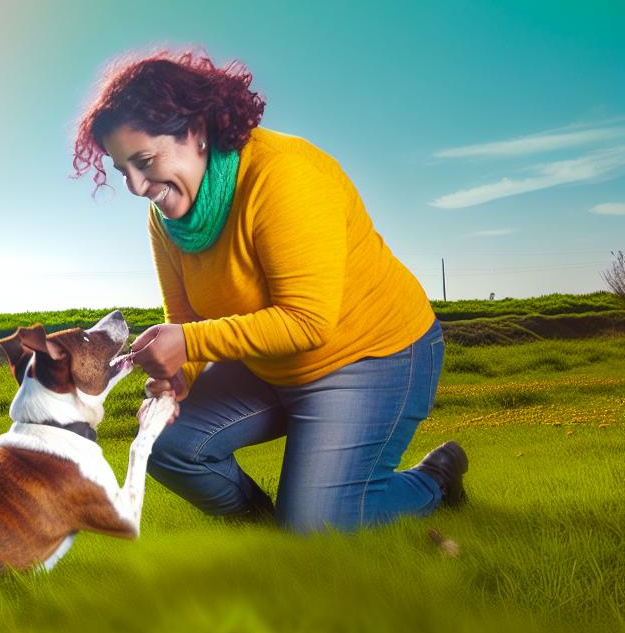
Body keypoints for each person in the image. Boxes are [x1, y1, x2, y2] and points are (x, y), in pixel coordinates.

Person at [72, 50, 468, 533]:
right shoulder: (166, 218)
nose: (135, 186)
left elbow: (308, 321)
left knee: (320, 524)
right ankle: (276, 532)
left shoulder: (285, 176)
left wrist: (190, 346)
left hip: (373, 354)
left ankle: (435, 479)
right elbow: (186, 318)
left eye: (145, 161)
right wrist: (182, 377)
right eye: (121, 170)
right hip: (273, 365)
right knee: (170, 445)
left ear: (196, 132)